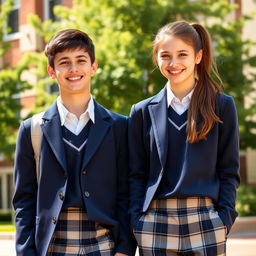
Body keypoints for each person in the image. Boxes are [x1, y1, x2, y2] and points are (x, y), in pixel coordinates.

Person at [13, 29, 135, 256]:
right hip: (52, 244)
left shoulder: (120, 126)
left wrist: (125, 248)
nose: (74, 69)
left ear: (93, 67)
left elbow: (127, 192)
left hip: (104, 243)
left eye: (81, 60)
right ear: (52, 71)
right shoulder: (32, 129)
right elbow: (24, 201)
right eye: (64, 62)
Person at [128, 21, 240, 255]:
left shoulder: (221, 105)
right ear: (156, 59)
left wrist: (224, 220)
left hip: (206, 220)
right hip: (154, 222)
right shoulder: (141, 111)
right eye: (165, 55)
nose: (174, 63)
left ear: (198, 56)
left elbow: (228, 170)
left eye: (182, 54)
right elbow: (136, 173)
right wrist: (137, 221)